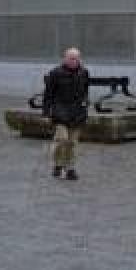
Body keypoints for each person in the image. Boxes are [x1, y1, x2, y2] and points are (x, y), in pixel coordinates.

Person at [42, 47, 89, 181]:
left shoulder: (84, 72)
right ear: (65, 59)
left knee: (72, 143)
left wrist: (85, 103)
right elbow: (48, 94)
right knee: (62, 140)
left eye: (76, 58)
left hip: (77, 112)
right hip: (60, 111)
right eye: (71, 58)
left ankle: (70, 169)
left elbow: (85, 91)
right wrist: (46, 112)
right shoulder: (56, 73)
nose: (74, 61)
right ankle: (57, 164)